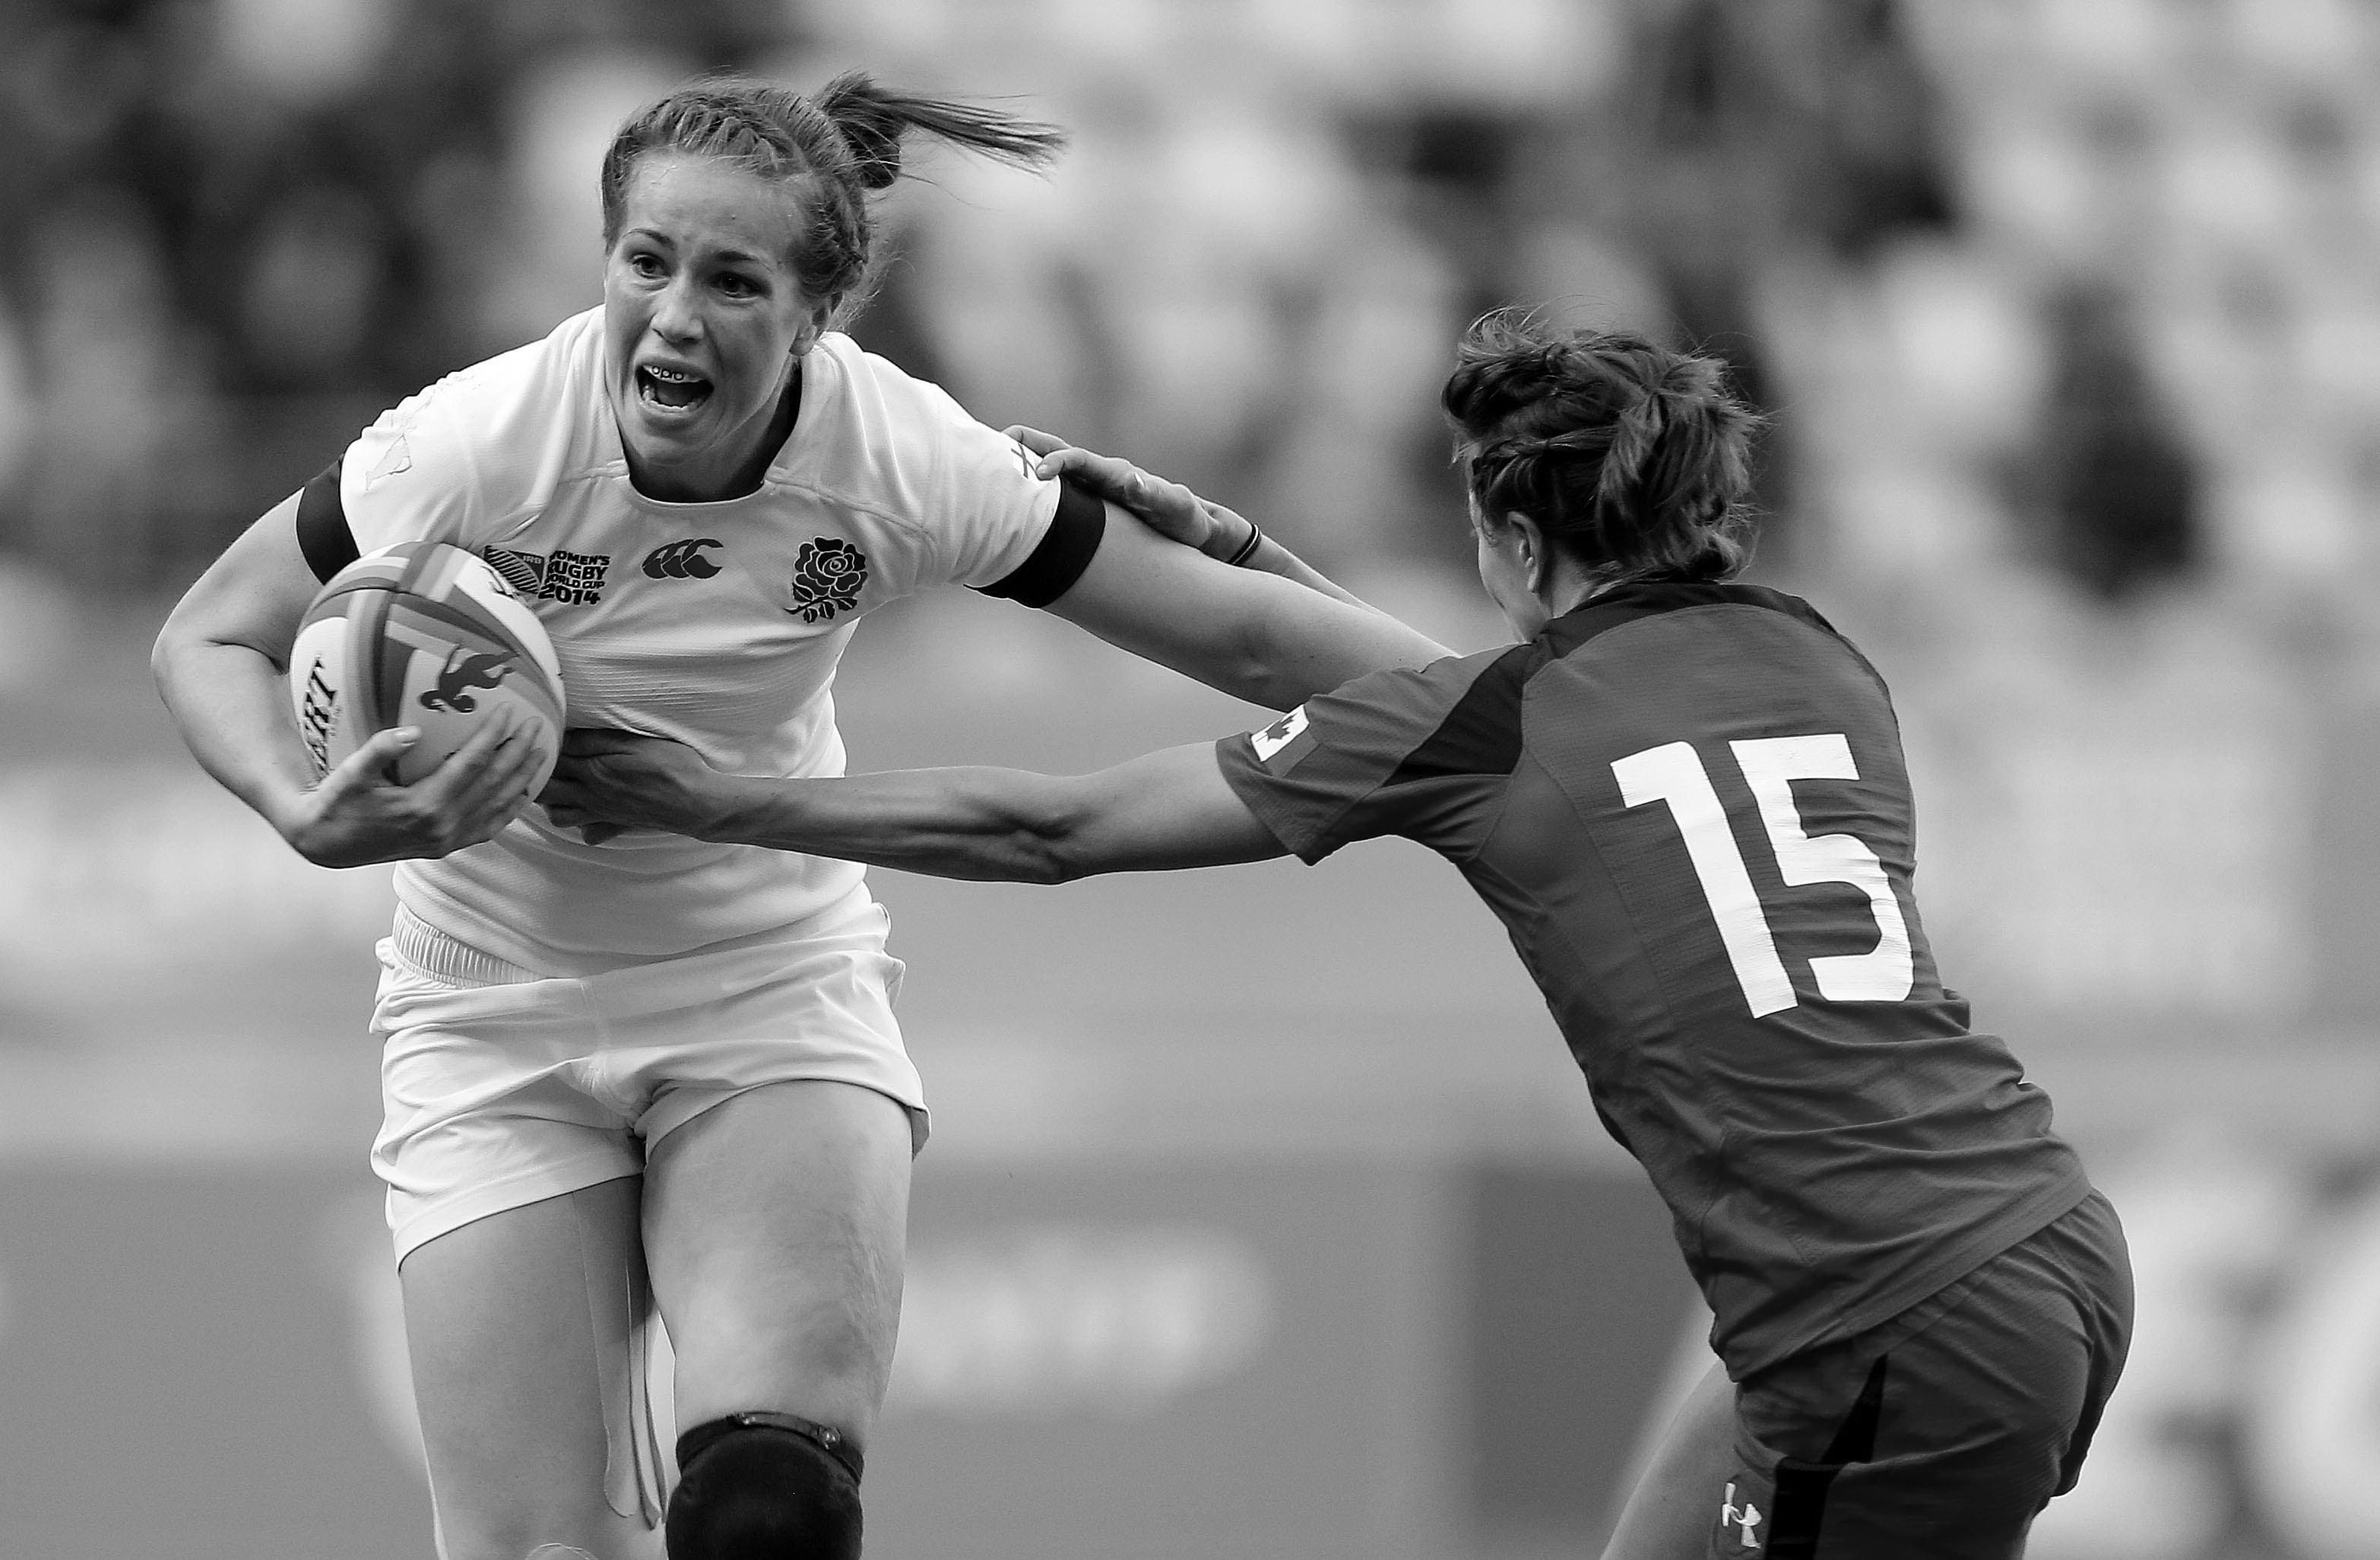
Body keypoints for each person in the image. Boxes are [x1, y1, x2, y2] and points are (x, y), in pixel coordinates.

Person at [540, 314, 2134, 1558]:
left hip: (1880, 1316)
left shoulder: (1502, 723)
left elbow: (1057, 828)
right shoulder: (1817, 656)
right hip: (2043, 1242)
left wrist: (718, 799)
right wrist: (1237, 557)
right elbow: (1487, 714)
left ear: (1510, 543)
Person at [151, 73, 1447, 1560]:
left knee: (768, 1512)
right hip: (488, 1012)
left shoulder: (899, 455)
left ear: (817, 315)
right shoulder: (474, 445)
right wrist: (302, 812)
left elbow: (1256, 642)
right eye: (646, 262)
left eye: (732, 280)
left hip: (761, 987)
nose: (675, 315)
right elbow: (209, 636)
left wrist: (1552, 691)